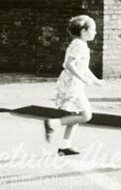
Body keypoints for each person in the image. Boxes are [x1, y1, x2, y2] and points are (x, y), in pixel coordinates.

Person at [44, 14, 103, 155]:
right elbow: (69, 65)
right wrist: (83, 79)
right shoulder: (79, 45)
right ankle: (52, 124)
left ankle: (65, 146)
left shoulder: (80, 44)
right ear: (83, 31)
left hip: (72, 84)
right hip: (71, 85)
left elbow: (83, 67)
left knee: (76, 114)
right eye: (93, 29)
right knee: (86, 115)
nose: (95, 32)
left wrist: (96, 80)